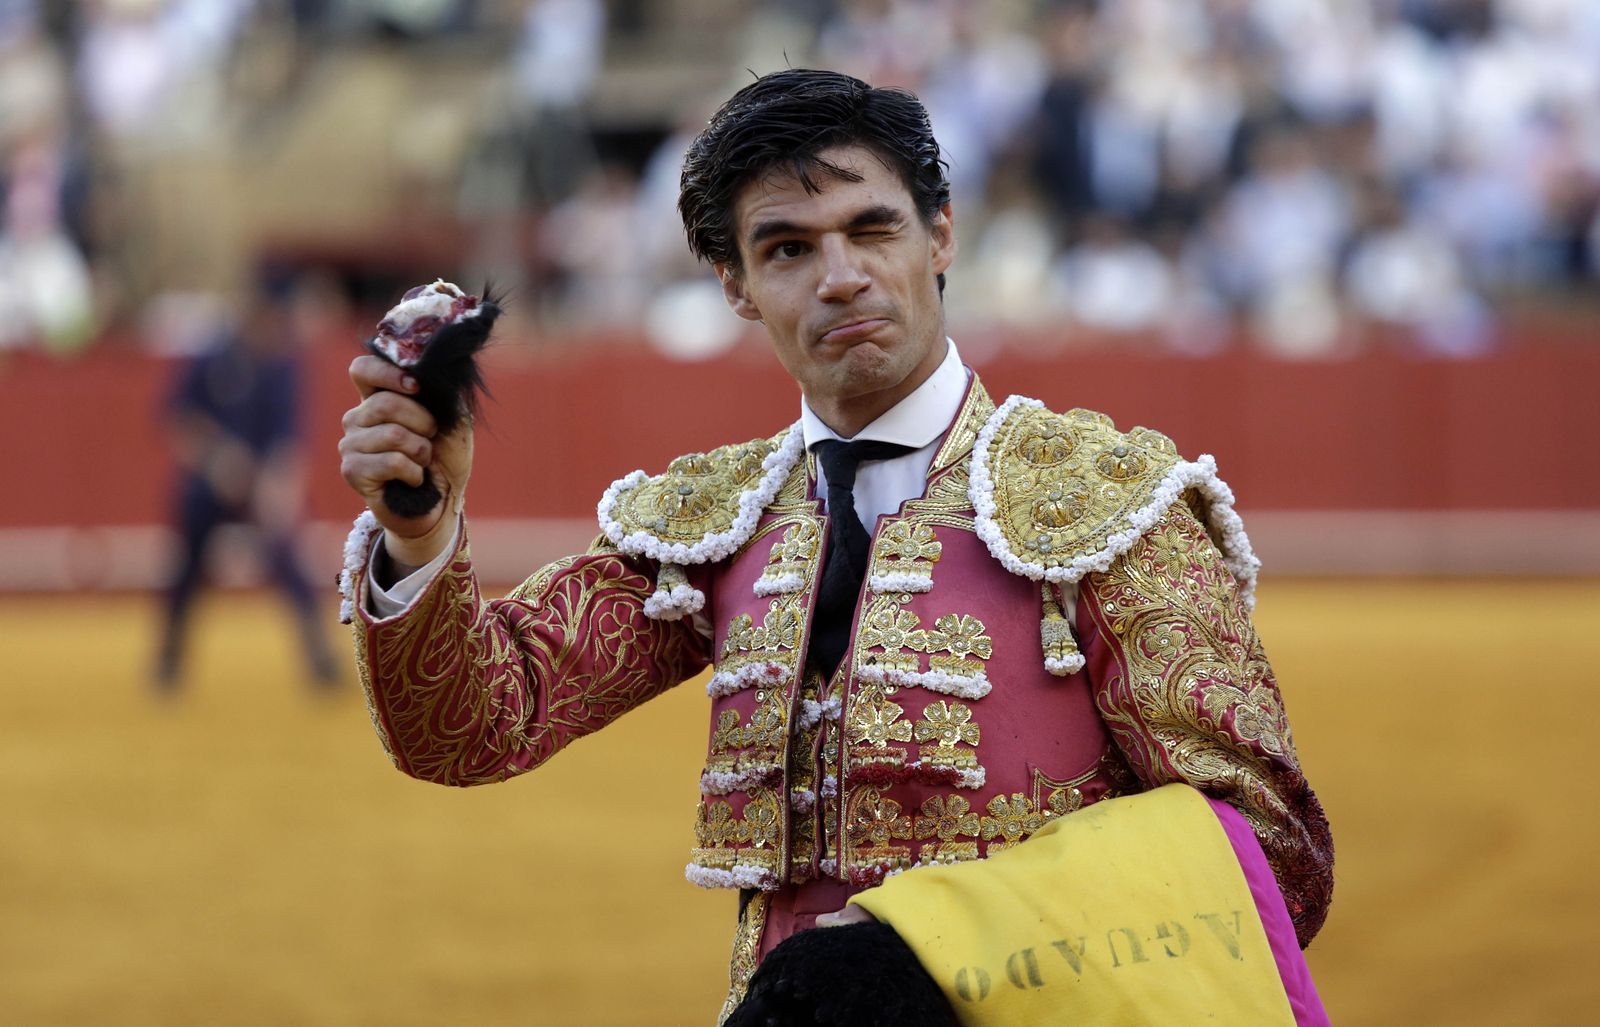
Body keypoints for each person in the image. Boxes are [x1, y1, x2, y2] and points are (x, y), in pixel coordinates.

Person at [335, 69, 1333, 1022]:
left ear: (940, 235)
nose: (841, 278)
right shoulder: (715, 524)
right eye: (787, 249)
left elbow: (1268, 850)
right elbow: (475, 725)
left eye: (871, 228)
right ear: (735, 286)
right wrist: (421, 530)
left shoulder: (1104, 503)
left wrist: (930, 945)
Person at [157, 270, 338, 690]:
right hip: (209, 480)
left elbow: (288, 442)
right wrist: (216, 458)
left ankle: (319, 658)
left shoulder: (283, 366)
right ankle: (170, 657)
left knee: (288, 560)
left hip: (259, 483)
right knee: (187, 565)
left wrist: (278, 490)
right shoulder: (213, 357)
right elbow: (178, 418)